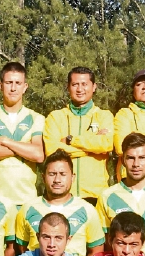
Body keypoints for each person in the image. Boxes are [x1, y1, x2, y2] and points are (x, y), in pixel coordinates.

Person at [14, 150, 105, 256]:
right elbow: (22, 249)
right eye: (52, 174)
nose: (57, 180)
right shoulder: (27, 209)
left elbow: (96, 251)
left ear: (72, 177)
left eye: (63, 174)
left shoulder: (87, 210)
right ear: (43, 177)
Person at [97, 133, 145, 256]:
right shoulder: (107, 196)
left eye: (142, 157)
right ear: (123, 160)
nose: (136, 164)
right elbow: (105, 241)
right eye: (131, 158)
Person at [43, 67, 115, 202]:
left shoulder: (104, 116)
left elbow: (106, 144)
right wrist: (93, 148)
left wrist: (71, 140)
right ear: (68, 87)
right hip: (60, 195)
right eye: (75, 84)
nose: (80, 89)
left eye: (84, 84)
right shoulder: (55, 117)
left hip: (95, 194)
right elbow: (52, 150)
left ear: (94, 87)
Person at [0, 62, 46, 208]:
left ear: (25, 87)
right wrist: (25, 148)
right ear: (0, 85)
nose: (13, 88)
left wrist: (5, 141)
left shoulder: (36, 118)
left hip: (27, 200)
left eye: (18, 83)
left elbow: (38, 154)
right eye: (8, 82)